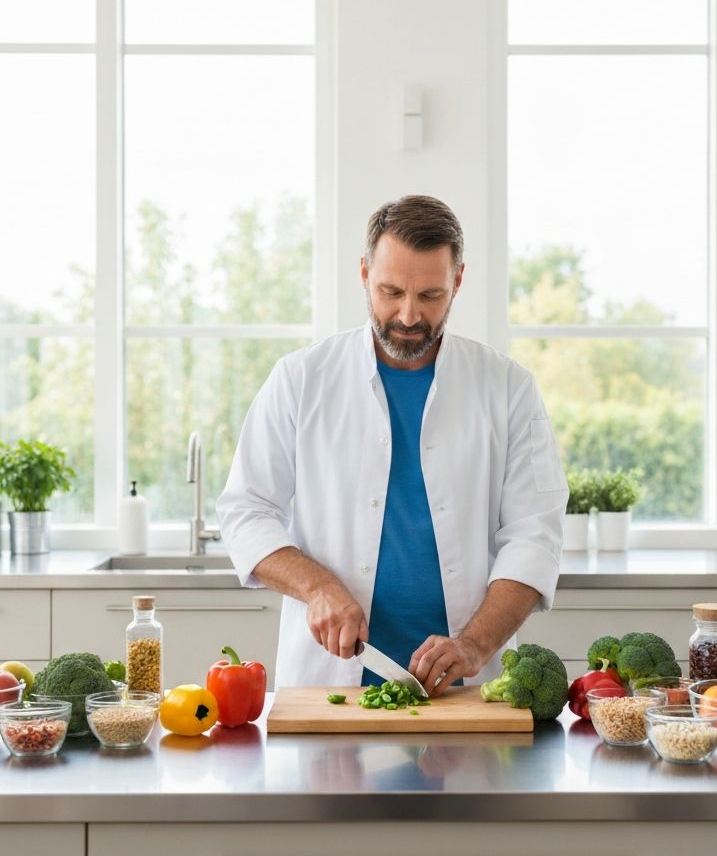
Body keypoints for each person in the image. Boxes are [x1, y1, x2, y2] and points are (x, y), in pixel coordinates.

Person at [217, 194, 568, 693]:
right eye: (391, 291)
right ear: (364, 274)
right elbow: (245, 510)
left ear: (458, 281)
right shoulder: (301, 379)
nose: (408, 315)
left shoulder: (508, 388)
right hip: (330, 685)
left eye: (430, 295)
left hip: (466, 690)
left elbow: (535, 536)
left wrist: (473, 645)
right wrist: (316, 587)